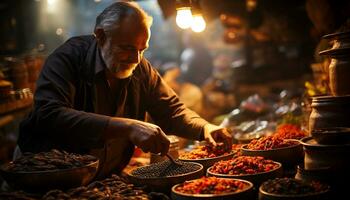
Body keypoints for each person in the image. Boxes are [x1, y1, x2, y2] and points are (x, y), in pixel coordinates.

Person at [16, 1, 232, 178]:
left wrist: (205, 128)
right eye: (127, 48)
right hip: (46, 176)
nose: (136, 58)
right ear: (100, 36)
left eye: (142, 49)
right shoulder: (68, 59)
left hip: (101, 177)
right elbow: (49, 114)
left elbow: (172, 111)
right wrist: (127, 127)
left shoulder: (140, 67)